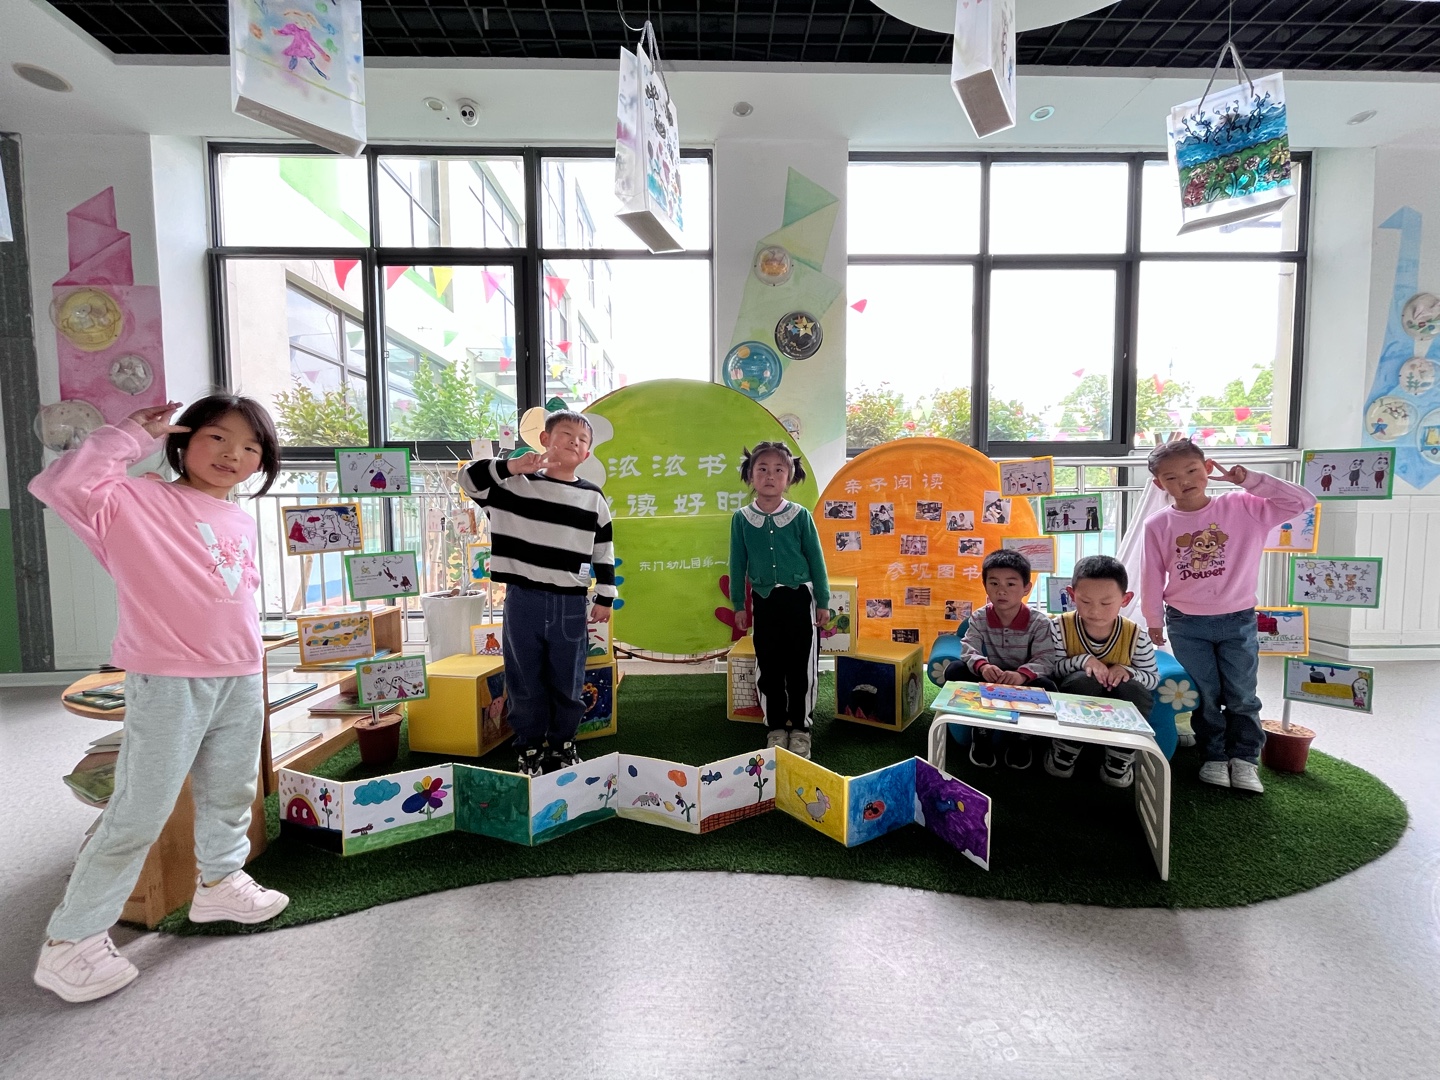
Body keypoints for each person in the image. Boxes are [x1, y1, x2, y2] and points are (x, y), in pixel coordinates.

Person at [30, 397, 290, 1004]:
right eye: (217, 437)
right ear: (182, 440)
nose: (233, 454)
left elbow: (233, 591)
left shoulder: (238, 518)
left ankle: (220, 883)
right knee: (140, 809)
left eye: (250, 446)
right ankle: (71, 940)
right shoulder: (137, 499)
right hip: (169, 678)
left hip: (239, 673)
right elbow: (62, 484)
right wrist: (126, 436)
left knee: (231, 791)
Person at [1140, 438, 1315, 793]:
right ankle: (1214, 757)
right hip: (1186, 623)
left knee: (1241, 694)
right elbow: (1152, 575)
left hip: (1238, 619)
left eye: (1192, 470)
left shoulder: (1243, 505)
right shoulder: (1158, 524)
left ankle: (1245, 759)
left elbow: (1302, 501)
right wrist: (1153, 619)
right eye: (1171, 477)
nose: (1184, 481)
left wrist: (1249, 480)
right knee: (1205, 694)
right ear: (1159, 484)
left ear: (1208, 468)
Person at [459, 411, 615, 777]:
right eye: (566, 433)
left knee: (568, 679)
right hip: (523, 599)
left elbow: (603, 548)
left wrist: (606, 594)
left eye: (582, 439)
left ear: (586, 454)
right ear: (544, 439)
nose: (574, 441)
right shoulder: (513, 485)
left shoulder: (592, 497)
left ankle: (562, 744)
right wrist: (512, 467)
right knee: (523, 679)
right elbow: (467, 479)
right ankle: (528, 747)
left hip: (570, 603)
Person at [729, 442, 829, 759]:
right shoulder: (741, 519)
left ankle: (800, 727)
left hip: (800, 600)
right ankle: (775, 726)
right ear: (750, 475)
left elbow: (817, 561)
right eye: (762, 469)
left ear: (790, 477)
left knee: (801, 666)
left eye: (778, 470)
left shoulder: (800, 517)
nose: (770, 475)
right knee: (769, 665)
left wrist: (823, 601)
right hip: (764, 602)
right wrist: (739, 605)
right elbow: (736, 564)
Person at [1046, 555, 1159, 788]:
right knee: (1083, 680)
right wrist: (1083, 661)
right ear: (1072, 594)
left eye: (1106, 603)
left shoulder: (1136, 635)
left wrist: (1127, 672)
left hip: (1120, 701)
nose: (1095, 611)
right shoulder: (1059, 627)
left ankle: (1120, 756)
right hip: (1076, 697)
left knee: (1134, 689)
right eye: (1085, 601)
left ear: (1125, 599)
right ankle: (1065, 749)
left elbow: (1152, 679)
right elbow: (1051, 669)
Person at [942, 549, 1059, 770]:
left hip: (1022, 682)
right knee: (955, 670)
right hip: (990, 678)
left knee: (1048, 686)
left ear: (1026, 588)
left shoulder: (1039, 622)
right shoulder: (979, 617)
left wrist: (1022, 675)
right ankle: (981, 731)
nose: (1001, 591)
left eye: (1011, 584)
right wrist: (982, 666)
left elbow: (1045, 658)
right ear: (985, 586)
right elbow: (968, 648)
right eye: (994, 583)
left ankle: (1022, 738)